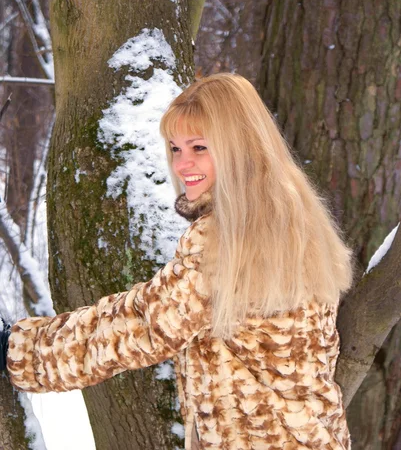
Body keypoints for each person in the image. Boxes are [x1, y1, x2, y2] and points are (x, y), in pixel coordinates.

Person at [0, 73, 353, 450]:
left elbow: (140, 326)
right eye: (175, 148)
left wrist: (19, 349)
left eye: (199, 147)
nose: (183, 164)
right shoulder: (293, 214)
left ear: (238, 145)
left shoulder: (228, 239)